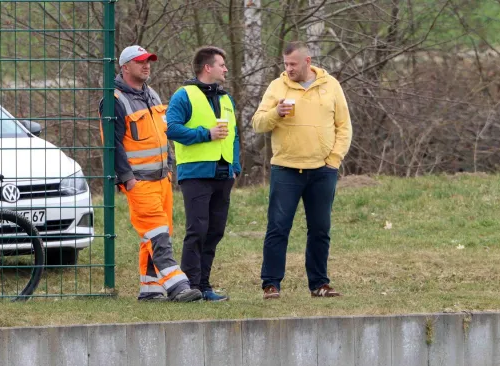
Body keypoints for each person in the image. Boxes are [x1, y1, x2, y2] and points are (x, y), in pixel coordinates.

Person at [99, 45, 202, 302]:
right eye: (140, 62)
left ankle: (150, 289)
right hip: (138, 182)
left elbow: (162, 136)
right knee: (158, 234)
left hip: (161, 179)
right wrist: (127, 179)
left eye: (148, 61)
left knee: (154, 234)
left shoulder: (152, 94)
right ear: (125, 67)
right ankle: (179, 286)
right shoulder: (113, 100)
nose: (147, 66)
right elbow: (112, 145)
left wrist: (168, 169)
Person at [252, 41, 352, 300]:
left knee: (320, 229)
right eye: (286, 64)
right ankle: (271, 284)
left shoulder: (331, 86)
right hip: (285, 169)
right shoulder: (277, 86)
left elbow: (344, 126)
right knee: (278, 227)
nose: (288, 69)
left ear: (308, 62)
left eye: (293, 64)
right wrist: (276, 113)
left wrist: (334, 160)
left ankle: (319, 284)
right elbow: (258, 123)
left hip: (322, 170)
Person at [166, 46, 241, 301]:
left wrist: (236, 167)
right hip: (196, 173)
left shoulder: (225, 98)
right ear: (207, 67)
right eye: (222, 64)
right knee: (197, 229)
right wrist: (205, 134)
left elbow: (234, 135)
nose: (226, 69)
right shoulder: (183, 95)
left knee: (215, 231)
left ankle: (205, 286)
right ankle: (190, 287)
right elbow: (172, 129)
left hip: (223, 173)